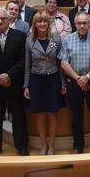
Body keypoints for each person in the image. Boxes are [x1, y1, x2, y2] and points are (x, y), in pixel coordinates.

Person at [0, 8, 29, 156]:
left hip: (14, 83)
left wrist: (9, 75)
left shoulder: (20, 36)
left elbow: (23, 60)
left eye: (3, 19)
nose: (0, 21)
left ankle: (21, 145)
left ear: (9, 20)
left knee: (18, 115)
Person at [59, 12, 90, 153]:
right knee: (76, 116)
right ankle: (78, 146)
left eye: (85, 23)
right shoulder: (68, 39)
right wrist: (78, 78)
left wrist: (86, 77)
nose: (82, 25)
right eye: (79, 23)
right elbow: (64, 62)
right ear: (75, 24)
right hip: (74, 82)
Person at [23, 12, 66, 155]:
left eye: (44, 22)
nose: (42, 24)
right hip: (36, 80)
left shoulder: (56, 39)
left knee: (53, 114)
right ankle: (43, 145)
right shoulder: (29, 40)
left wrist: (63, 83)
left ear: (49, 23)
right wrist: (26, 85)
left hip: (53, 79)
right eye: (39, 22)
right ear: (34, 24)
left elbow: (60, 63)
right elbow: (27, 65)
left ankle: (52, 145)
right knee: (40, 114)